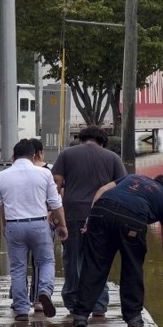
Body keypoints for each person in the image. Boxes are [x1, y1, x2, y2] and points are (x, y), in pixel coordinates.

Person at [71, 173, 163, 327]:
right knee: (132, 267)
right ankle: (133, 318)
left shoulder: (133, 178)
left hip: (101, 210)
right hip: (133, 218)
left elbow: (103, 189)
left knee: (94, 264)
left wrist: (91, 215)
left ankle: (81, 315)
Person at [0, 138, 68, 321]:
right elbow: (55, 203)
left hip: (14, 226)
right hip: (39, 224)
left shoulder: (2, 176)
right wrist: (62, 225)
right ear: (33, 156)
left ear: (13, 157)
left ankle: (22, 310)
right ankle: (44, 291)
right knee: (46, 262)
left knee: (18, 268)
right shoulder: (44, 174)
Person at [51, 125, 125, 316]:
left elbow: (55, 184)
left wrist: (52, 211)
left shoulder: (66, 155)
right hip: (102, 215)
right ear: (103, 141)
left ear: (81, 139)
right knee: (98, 259)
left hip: (72, 214)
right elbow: (123, 187)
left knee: (73, 258)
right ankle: (99, 304)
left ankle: (73, 302)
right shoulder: (113, 158)